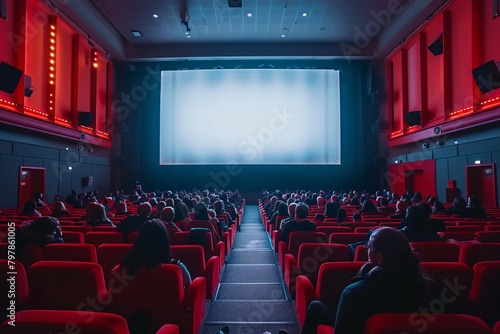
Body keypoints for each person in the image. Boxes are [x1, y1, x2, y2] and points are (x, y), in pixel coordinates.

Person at [301, 227, 435, 334]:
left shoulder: (355, 292)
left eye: (368, 248)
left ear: (379, 257)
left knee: (315, 306)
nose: (366, 251)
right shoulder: (431, 287)